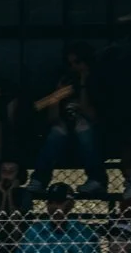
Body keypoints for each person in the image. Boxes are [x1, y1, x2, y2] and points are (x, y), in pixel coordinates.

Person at [30, 43, 103, 195]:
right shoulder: (64, 83)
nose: (74, 67)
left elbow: (93, 117)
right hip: (61, 140)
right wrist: (57, 95)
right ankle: (39, 180)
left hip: (89, 141)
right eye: (70, 64)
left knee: (83, 125)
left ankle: (96, 180)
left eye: (78, 62)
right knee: (58, 129)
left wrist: (83, 84)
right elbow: (49, 117)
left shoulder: (97, 82)